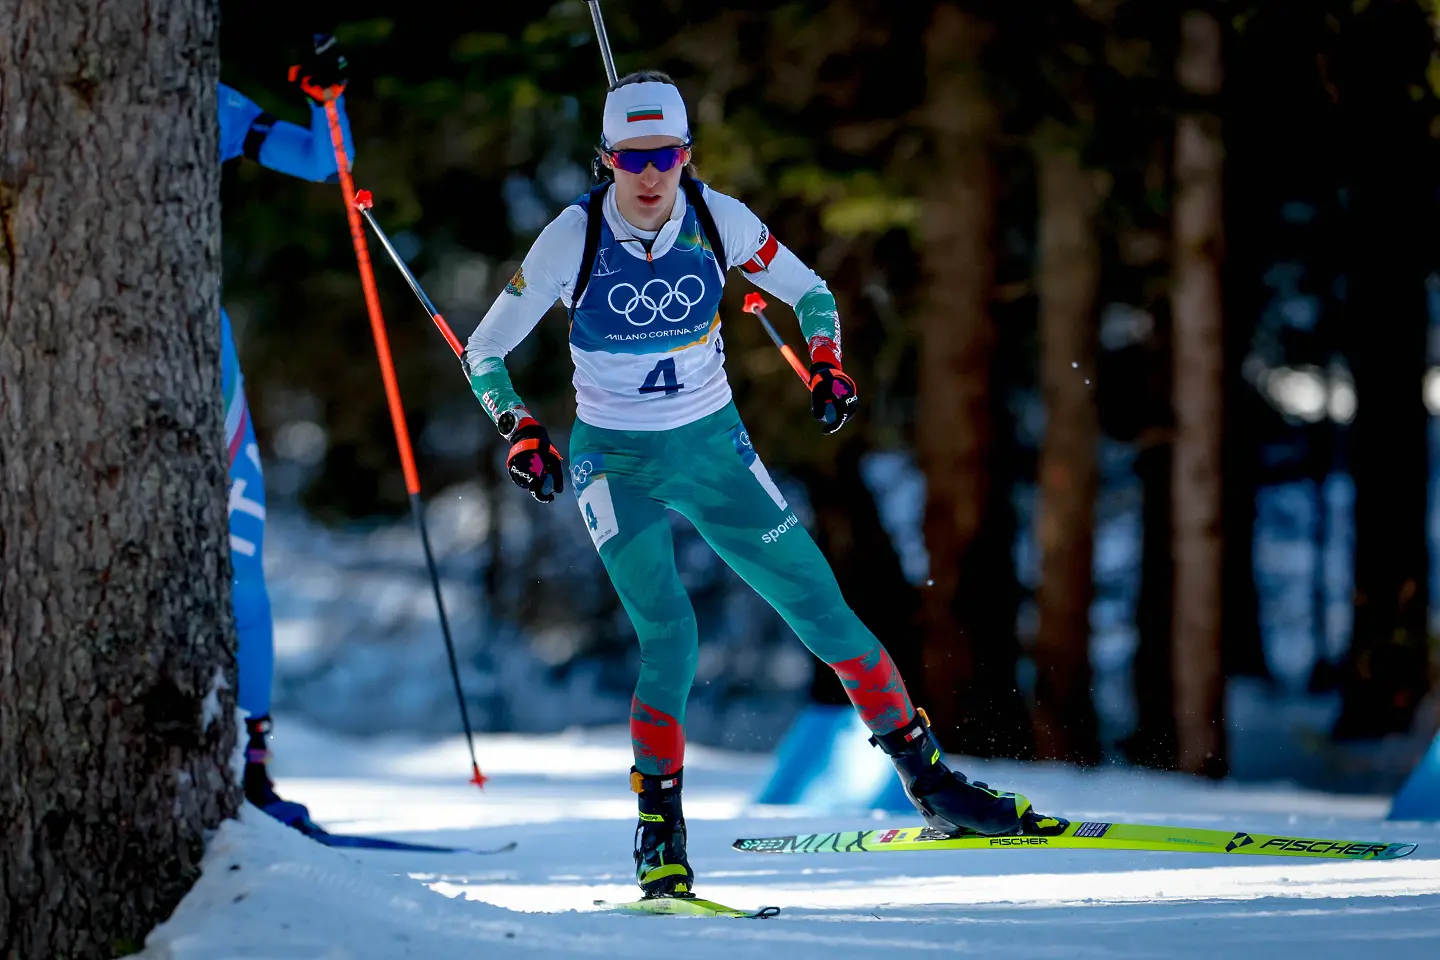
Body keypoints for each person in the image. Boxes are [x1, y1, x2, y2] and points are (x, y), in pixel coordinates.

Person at [465, 71, 1065, 900]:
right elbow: (483, 349)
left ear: (686, 154)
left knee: (828, 613)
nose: (649, 174)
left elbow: (811, 291)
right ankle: (659, 835)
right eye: (632, 158)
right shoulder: (573, 237)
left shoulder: (718, 218)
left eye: (666, 154)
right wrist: (520, 429)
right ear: (606, 160)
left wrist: (827, 362)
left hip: (715, 450)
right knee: (670, 638)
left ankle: (934, 787)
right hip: (617, 462)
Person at [218, 33, 354, 832]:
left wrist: (325, 99)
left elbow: (320, 163)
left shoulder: (194, 99)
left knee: (241, 544)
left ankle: (252, 765)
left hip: (194, 342)